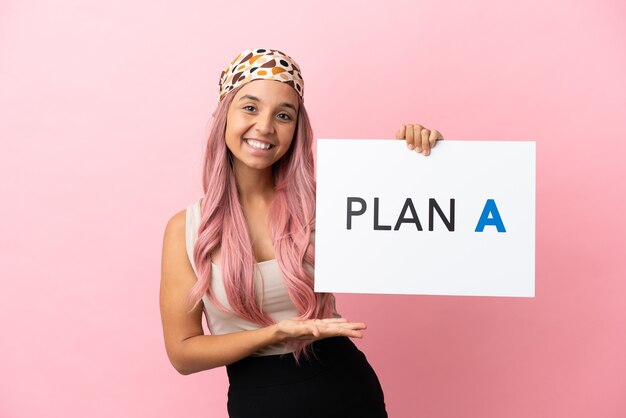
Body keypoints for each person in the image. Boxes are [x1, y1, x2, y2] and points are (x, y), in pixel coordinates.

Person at [159, 48, 443, 418]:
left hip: (345, 389)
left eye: (283, 115)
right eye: (250, 107)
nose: (265, 126)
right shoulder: (186, 229)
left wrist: (424, 159)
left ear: (296, 129)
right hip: (258, 403)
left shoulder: (327, 205)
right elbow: (183, 353)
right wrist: (276, 334)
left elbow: (416, 223)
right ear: (223, 115)